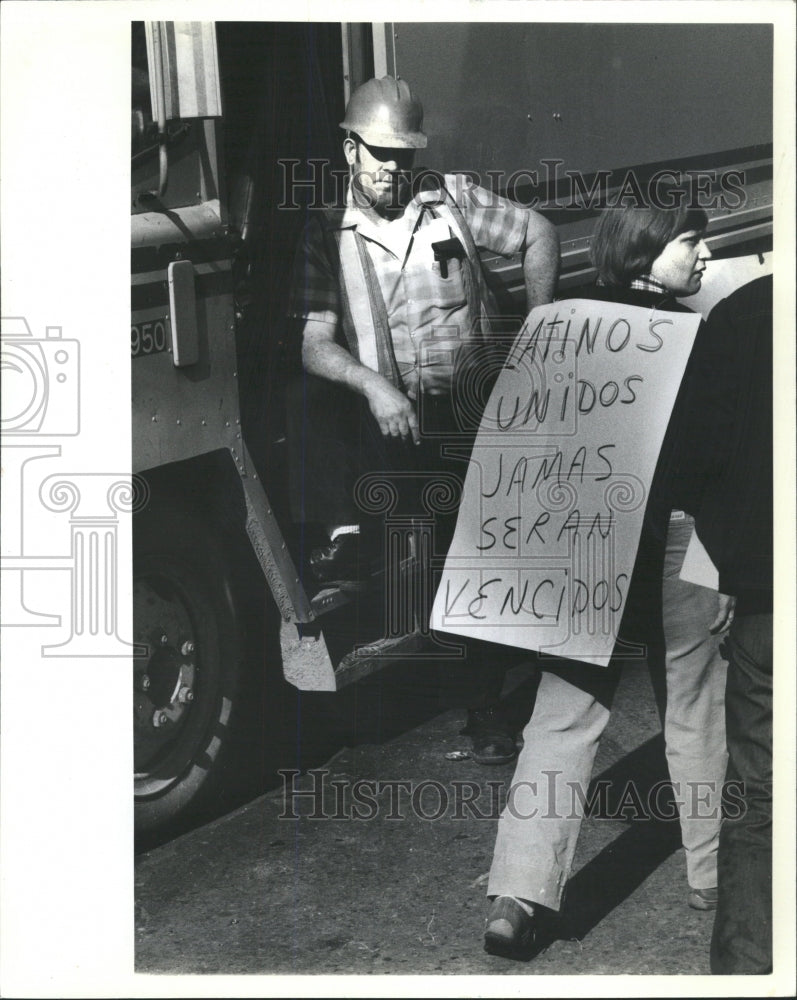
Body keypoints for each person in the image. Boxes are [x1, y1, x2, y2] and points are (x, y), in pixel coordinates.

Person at [483, 198, 731, 956]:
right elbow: (718, 453)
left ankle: (515, 898)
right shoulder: (696, 337)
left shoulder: (558, 327)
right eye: (687, 240)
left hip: (584, 541)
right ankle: (713, 875)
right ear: (646, 251)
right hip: (677, 544)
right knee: (693, 707)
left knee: (560, 720)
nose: (702, 254)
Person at [288, 76, 559, 763]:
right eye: (380, 154)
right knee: (442, 561)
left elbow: (538, 233)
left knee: (497, 548)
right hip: (401, 422)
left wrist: (536, 333)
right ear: (349, 148)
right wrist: (373, 386)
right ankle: (484, 700)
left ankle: (521, 690)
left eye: (404, 156)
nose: (393, 170)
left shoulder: (452, 199)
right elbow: (314, 343)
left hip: (478, 405)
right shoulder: (325, 233)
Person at [677, 274, 773, 973]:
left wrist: (734, 563)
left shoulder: (742, 313)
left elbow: (692, 462)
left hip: (768, 597)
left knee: (760, 786)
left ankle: (747, 965)